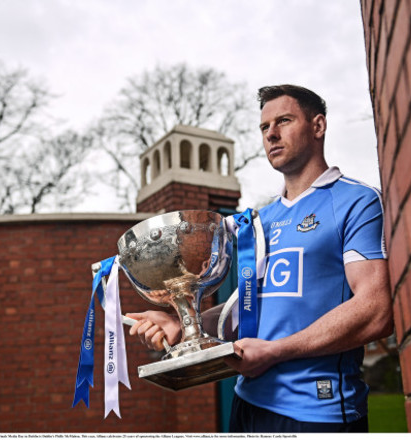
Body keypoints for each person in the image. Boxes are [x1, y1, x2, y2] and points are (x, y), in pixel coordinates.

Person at [127, 84, 393, 433]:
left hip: (317, 410)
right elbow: (249, 308)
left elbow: (377, 309)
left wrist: (276, 351)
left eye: (284, 120)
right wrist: (184, 325)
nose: (272, 134)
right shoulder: (260, 220)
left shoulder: (356, 201)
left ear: (318, 126)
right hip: (247, 405)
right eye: (264, 127)